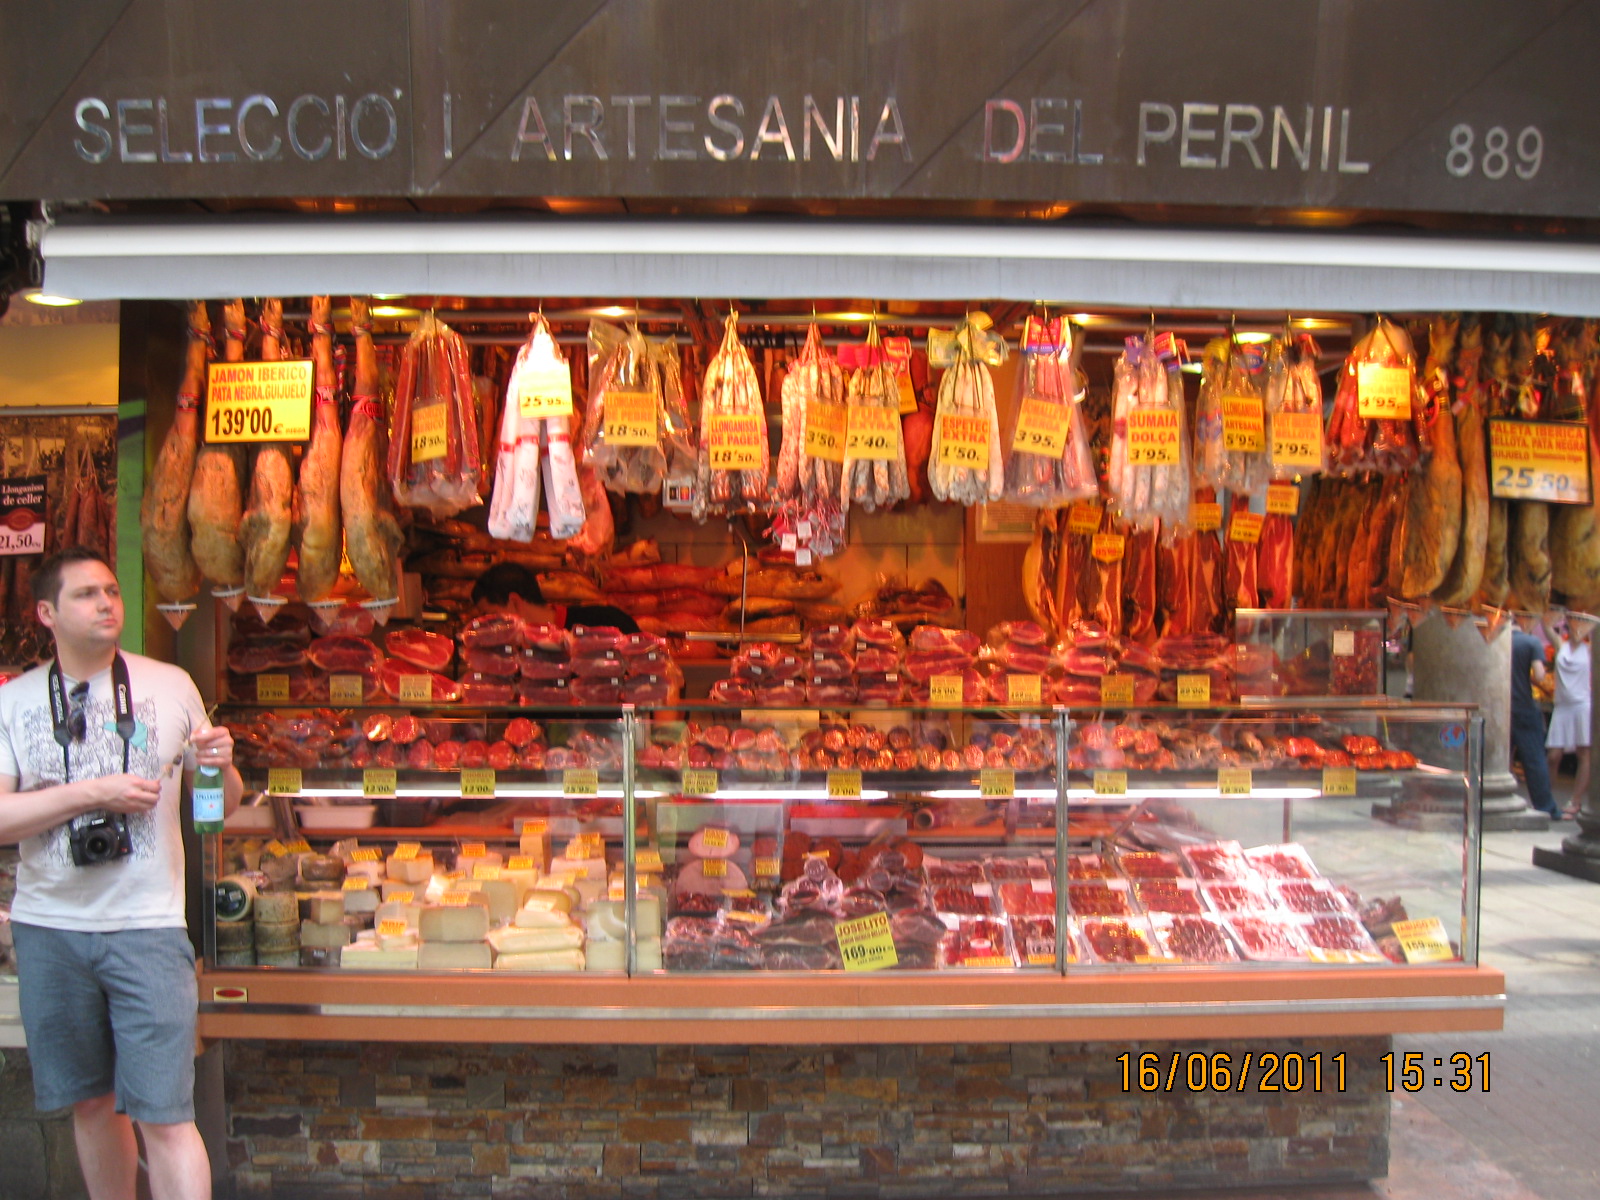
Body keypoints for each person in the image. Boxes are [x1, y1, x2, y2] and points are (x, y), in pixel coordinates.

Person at [0, 547, 241, 1200]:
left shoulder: (169, 685)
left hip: (149, 927)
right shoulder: (15, 700)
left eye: (112, 590)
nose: (107, 603)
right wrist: (92, 794)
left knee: (167, 1112)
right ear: (47, 612)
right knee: (89, 1104)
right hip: (49, 930)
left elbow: (216, 814)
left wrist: (219, 766)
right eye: (86, 595)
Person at [469, 561, 640, 633]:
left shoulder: (608, 621)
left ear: (514, 602)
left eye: (490, 614)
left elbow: (657, 684)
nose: (488, 624)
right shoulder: (510, 656)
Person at [1509, 610, 1559, 820]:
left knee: (1499, 757)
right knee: (1534, 758)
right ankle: (1545, 807)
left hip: (1501, 708)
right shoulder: (1531, 643)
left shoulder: (1492, 639)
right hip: (1524, 706)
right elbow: (1539, 674)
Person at [1548, 615, 1593, 820]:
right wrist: (1560, 611)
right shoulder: (1561, 644)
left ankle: (1575, 801)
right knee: (1553, 756)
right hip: (1562, 706)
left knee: (1583, 753)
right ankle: (1547, 800)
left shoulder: (1591, 649)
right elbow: (1545, 623)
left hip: (1581, 704)